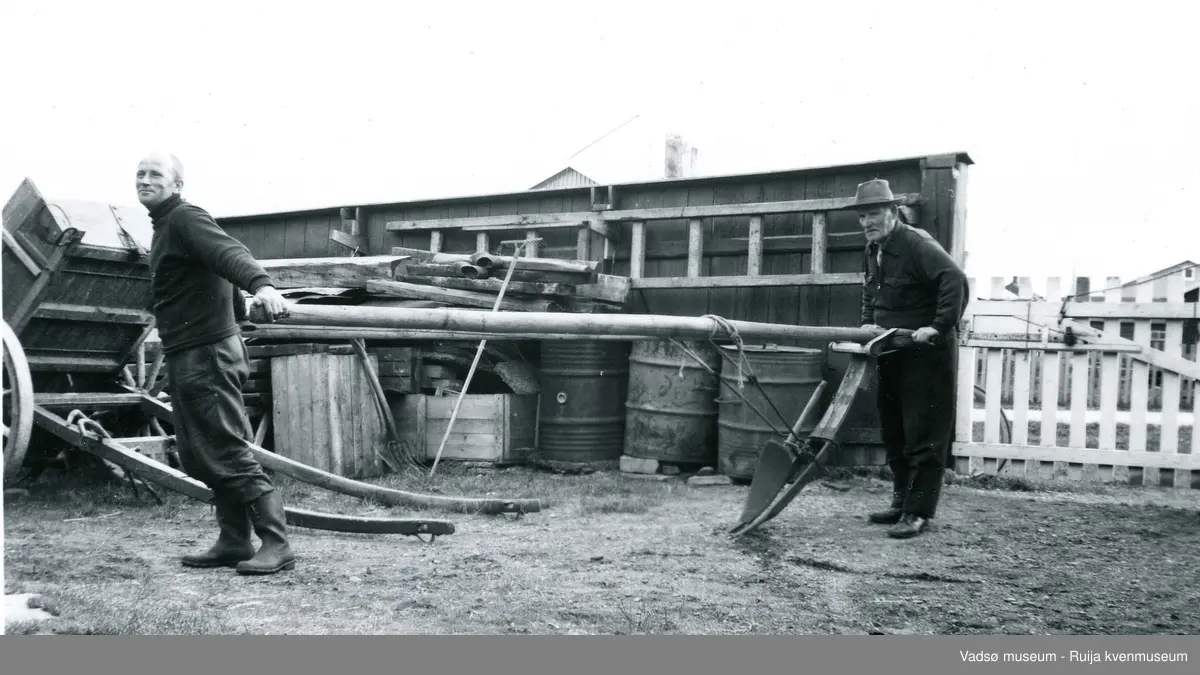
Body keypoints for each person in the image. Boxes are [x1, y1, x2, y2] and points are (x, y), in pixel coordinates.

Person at [135, 151, 296, 574]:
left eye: (155, 174)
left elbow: (228, 253)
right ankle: (233, 540)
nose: (145, 180)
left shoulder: (185, 218)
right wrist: (241, 310)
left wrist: (263, 286)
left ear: (177, 185)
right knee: (199, 452)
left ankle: (276, 544)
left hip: (206, 353)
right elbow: (208, 275)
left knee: (223, 448)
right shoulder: (165, 227)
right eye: (140, 173)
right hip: (190, 352)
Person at [855, 179, 968, 539]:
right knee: (895, 431)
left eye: (873, 213)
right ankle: (901, 502)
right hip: (890, 349)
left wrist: (936, 326)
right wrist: (867, 323)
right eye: (862, 216)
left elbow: (954, 279)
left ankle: (917, 512)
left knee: (923, 434)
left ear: (892, 212)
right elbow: (870, 292)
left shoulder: (917, 243)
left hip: (926, 354)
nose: (867, 222)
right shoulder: (873, 249)